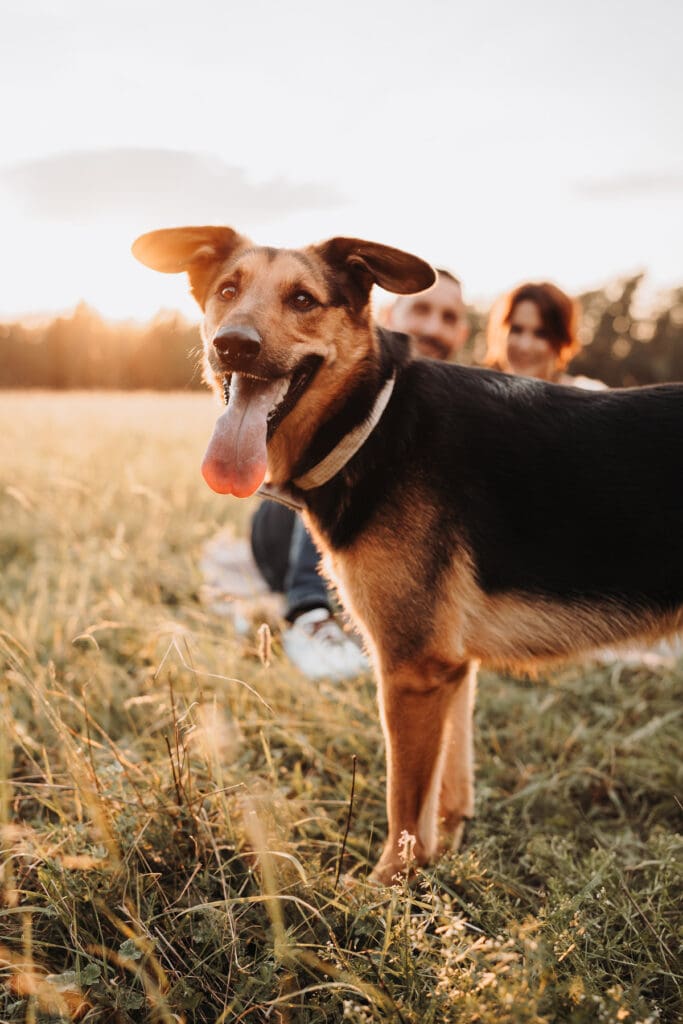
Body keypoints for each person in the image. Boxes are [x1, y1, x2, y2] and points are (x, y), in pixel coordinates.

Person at [249, 269, 469, 680]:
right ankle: (309, 612)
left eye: (448, 318)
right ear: (386, 312)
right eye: (421, 309)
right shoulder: (343, 374)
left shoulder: (458, 403)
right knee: (342, 460)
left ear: (462, 332)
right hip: (286, 524)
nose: (434, 328)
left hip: (379, 549)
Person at [484, 281, 605, 389]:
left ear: (561, 340)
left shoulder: (592, 394)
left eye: (540, 334)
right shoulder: (481, 400)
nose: (524, 346)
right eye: (516, 330)